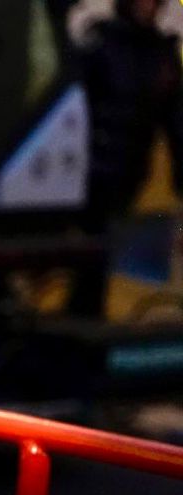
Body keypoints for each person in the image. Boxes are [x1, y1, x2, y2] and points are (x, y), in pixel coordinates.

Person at [69, 0, 183, 314]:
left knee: (104, 257)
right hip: (94, 171)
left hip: (129, 170)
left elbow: (174, 119)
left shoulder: (161, 53)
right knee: (93, 255)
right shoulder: (101, 45)